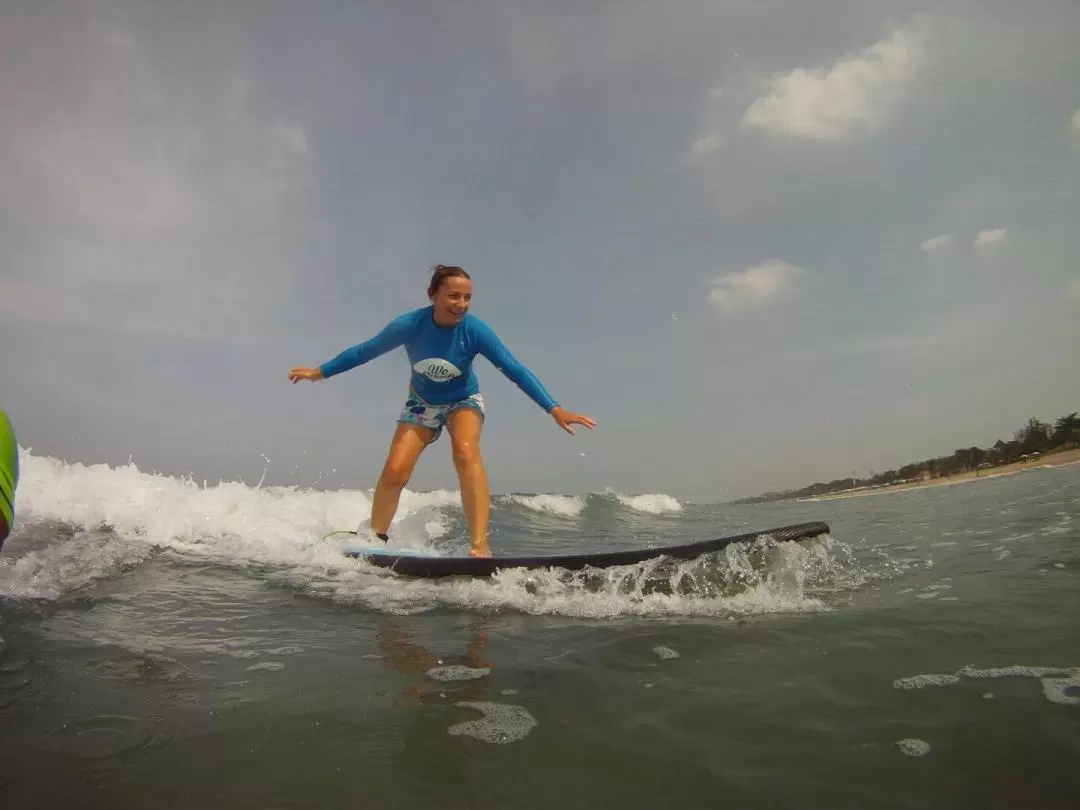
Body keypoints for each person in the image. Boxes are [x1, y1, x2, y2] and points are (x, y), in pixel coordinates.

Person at [288, 265, 596, 557]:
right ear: (433, 294)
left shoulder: (475, 331)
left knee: (465, 453)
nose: (461, 303)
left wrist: (554, 408)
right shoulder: (410, 325)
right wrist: (321, 371)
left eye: (467, 297)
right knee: (395, 470)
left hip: (463, 400)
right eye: (453, 295)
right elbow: (366, 351)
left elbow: (513, 368)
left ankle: (479, 546)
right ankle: (376, 538)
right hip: (421, 401)